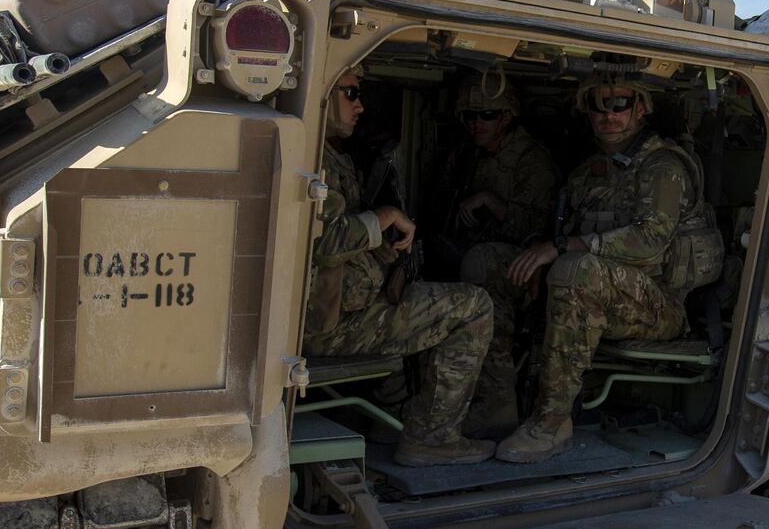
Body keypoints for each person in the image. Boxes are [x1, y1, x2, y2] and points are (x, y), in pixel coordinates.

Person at [489, 75, 722, 463]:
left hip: (660, 305)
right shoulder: (588, 172)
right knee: (493, 262)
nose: (609, 115)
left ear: (641, 109)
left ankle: (552, 423)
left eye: (621, 104)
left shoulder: (662, 166)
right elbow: (562, 233)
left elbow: (649, 240)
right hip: (599, 292)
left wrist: (563, 249)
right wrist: (540, 258)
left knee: (577, 269)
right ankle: (494, 407)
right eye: (600, 105)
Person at [303, 69, 497, 467]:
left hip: (332, 311)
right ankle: (433, 437)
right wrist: (385, 216)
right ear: (320, 92)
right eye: (351, 92)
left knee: (414, 292)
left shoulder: (319, 151)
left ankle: (390, 415)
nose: (360, 105)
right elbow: (322, 241)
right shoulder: (309, 157)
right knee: (473, 306)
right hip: (326, 325)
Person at [437, 77, 559, 438]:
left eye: (487, 115)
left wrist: (493, 202)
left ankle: (497, 403)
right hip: (475, 254)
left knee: (482, 264)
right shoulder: (467, 157)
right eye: (471, 116)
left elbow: (542, 227)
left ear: (506, 117)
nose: (478, 123)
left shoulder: (532, 160)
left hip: (527, 265)